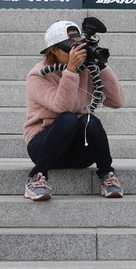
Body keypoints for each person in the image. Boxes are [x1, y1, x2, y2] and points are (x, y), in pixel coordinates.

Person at [24, 20, 125, 201]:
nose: (77, 53)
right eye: (70, 49)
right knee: (69, 118)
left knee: (89, 121)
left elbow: (116, 102)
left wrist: (101, 66)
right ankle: (36, 177)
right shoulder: (38, 74)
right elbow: (63, 107)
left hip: (80, 153)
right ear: (54, 50)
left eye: (80, 47)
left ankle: (107, 175)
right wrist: (70, 70)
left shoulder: (87, 68)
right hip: (44, 148)